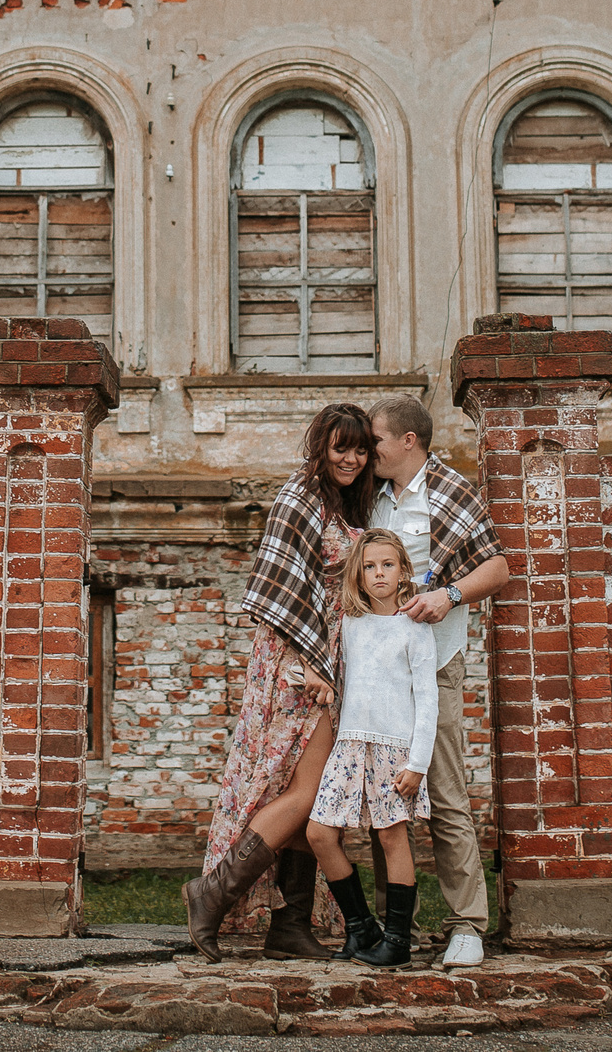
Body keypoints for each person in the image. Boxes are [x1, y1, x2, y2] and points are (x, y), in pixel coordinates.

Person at [183, 403, 373, 960]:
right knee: (308, 791)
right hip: (297, 660)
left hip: (327, 661)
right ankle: (211, 894)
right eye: (342, 447)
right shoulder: (300, 496)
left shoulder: (340, 504)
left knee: (305, 795)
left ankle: (288, 928)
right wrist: (314, 663)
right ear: (321, 446)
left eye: (361, 449)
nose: (352, 459)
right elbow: (279, 590)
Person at [365, 393, 509, 969]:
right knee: (382, 796)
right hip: (376, 670)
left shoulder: (451, 490)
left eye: (374, 440)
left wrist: (448, 595)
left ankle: (467, 925)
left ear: (408, 441)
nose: (365, 450)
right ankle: (393, 923)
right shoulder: (369, 499)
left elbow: (497, 566)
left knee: (444, 792)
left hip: (434, 664)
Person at [303, 529, 436, 967]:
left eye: (388, 565)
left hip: (395, 749)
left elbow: (428, 701)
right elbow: (324, 661)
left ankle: (396, 941)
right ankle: (361, 927)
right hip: (349, 745)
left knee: (392, 837)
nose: (379, 574)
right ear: (358, 575)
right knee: (319, 833)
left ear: (403, 572)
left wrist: (418, 763)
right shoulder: (350, 624)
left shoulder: (415, 628)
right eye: (369, 566)